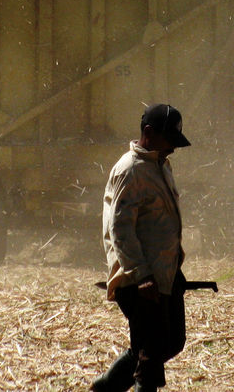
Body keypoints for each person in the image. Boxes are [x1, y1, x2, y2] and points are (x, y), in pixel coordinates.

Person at [91, 103, 191, 392]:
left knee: (171, 342)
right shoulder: (131, 170)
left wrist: (173, 271)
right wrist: (141, 274)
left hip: (163, 275)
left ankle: (107, 387)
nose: (173, 147)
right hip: (140, 280)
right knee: (150, 357)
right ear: (148, 133)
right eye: (169, 139)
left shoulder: (159, 166)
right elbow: (120, 228)